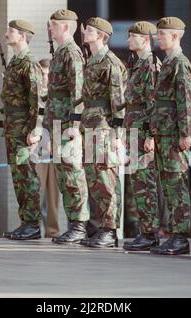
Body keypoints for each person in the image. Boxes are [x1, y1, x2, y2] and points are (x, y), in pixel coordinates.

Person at [43, 9, 90, 245]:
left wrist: (75, 125)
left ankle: (79, 224)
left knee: (72, 175)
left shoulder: (72, 53)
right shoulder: (60, 53)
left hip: (67, 125)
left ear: (66, 28)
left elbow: (78, 92)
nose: (50, 28)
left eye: (54, 25)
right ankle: (74, 223)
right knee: (64, 176)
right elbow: (53, 95)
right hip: (56, 123)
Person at [149, 17, 191, 256]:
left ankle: (181, 237)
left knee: (177, 185)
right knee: (168, 185)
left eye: (162, 34)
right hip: (163, 133)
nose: (158, 37)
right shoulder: (168, 62)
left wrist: (185, 133)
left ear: (175, 36)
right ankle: (173, 232)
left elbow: (185, 101)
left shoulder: (180, 63)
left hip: (174, 134)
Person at [80, 17, 127, 248]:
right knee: (94, 179)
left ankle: (110, 229)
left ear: (101, 35)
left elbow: (118, 102)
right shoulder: (92, 60)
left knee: (107, 180)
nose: (85, 32)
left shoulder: (110, 62)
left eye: (89, 30)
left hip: (104, 129)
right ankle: (100, 225)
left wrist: (117, 135)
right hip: (90, 126)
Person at [0, 20, 43, 240]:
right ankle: (26, 222)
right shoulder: (15, 61)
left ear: (23, 36)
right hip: (12, 128)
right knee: (18, 176)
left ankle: (33, 223)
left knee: (27, 175)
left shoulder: (29, 63)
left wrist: (35, 129)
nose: (7, 34)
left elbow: (37, 99)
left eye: (11, 31)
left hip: (24, 129)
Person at [122, 21, 161, 251]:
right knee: (139, 183)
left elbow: (152, 104)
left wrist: (149, 135)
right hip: (133, 132)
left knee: (145, 184)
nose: (128, 39)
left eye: (132, 36)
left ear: (145, 39)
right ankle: (145, 230)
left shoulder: (150, 65)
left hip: (142, 134)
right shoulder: (137, 64)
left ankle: (150, 232)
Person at [36, 58, 61, 238]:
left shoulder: (58, 94)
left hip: (54, 146)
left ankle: (52, 231)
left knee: (53, 195)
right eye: (42, 74)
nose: (45, 77)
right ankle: (32, 227)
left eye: (48, 74)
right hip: (37, 147)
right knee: (35, 190)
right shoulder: (35, 93)